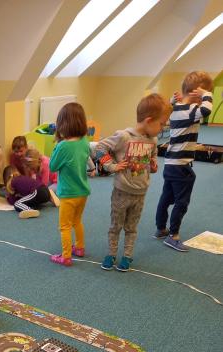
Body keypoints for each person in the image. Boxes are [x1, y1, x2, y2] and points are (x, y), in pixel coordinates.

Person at [96, 93, 171, 271]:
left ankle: (127, 256)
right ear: (149, 120)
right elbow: (99, 147)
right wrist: (111, 166)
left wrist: (153, 165)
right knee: (116, 226)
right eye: (161, 124)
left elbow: (152, 158)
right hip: (122, 192)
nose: (162, 128)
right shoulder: (124, 136)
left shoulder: (153, 140)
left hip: (140, 193)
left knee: (131, 227)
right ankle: (111, 254)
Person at [154, 71, 213, 251]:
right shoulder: (192, 110)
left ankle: (160, 228)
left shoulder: (175, 109)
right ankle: (173, 236)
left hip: (170, 164)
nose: (203, 99)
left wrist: (173, 100)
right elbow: (207, 110)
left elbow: (168, 107)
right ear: (196, 93)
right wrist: (207, 94)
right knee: (182, 201)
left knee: (166, 197)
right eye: (201, 95)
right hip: (181, 166)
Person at [49, 102, 91, 266]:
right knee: (77, 221)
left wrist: (56, 146)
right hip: (83, 192)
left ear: (62, 124)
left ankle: (66, 256)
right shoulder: (84, 141)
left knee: (64, 226)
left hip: (68, 194)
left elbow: (52, 166)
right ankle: (79, 247)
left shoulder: (63, 146)